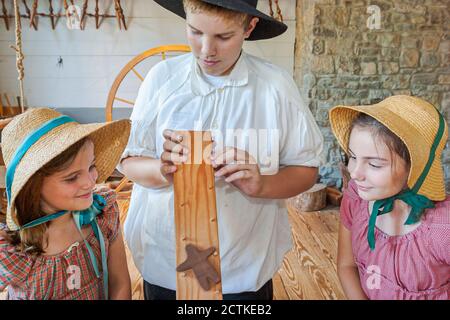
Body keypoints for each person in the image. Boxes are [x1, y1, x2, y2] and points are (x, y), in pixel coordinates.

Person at [118, 0, 324, 300]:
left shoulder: (275, 87)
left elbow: (306, 169)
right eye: (195, 31)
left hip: (243, 267)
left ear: (249, 27)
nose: (206, 50)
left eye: (223, 37)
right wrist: (161, 170)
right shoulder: (161, 79)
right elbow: (128, 161)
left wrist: (263, 184)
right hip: (166, 261)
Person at [0, 108, 132, 300]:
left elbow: (119, 284)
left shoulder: (104, 212)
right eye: (71, 178)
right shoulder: (13, 251)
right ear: (33, 187)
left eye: (91, 166)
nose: (90, 181)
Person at [330, 95, 450, 299]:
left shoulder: (443, 227)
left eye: (374, 164)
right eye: (352, 157)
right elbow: (346, 265)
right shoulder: (355, 199)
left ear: (416, 167)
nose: (355, 173)